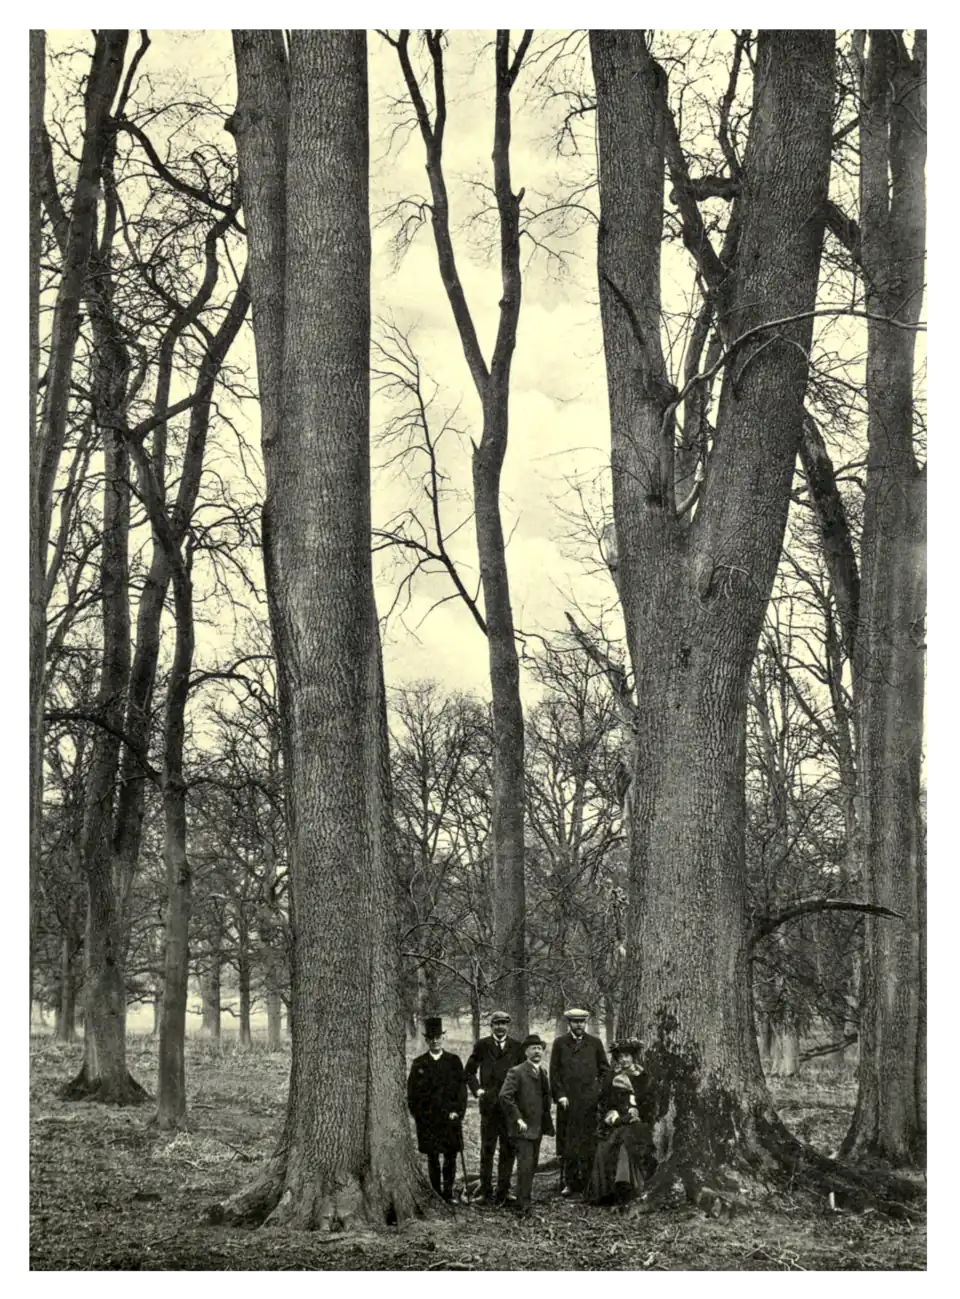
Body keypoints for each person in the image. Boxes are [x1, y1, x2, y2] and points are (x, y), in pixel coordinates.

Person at [586, 1038, 657, 1207]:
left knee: (627, 1140)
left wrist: (638, 1112)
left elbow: (650, 1102)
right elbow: (604, 1101)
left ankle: (629, 1186)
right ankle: (610, 1191)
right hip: (618, 1120)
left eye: (627, 1056)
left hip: (638, 1122)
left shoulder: (643, 1076)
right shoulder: (612, 1076)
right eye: (620, 1057)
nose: (624, 1060)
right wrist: (613, 1114)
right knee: (606, 1146)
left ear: (633, 1057)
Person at [464, 1010, 526, 1204]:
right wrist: (478, 1091)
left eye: (503, 1023)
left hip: (508, 1108)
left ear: (508, 1026)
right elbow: (469, 1072)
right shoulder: (482, 1045)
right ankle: (485, 1191)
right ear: (491, 1026)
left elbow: (523, 1073)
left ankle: (503, 1191)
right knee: (487, 1150)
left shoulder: (517, 1047)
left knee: (508, 1150)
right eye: (496, 1023)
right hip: (489, 1107)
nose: (500, 1027)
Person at [407, 1016, 467, 1202]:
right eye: (431, 1038)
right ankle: (436, 1193)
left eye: (437, 1037)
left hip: (450, 1118)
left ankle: (448, 1193)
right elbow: (412, 1094)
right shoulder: (419, 1064)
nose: (434, 1041)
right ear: (426, 1040)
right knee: (433, 1157)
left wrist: (458, 1112)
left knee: (450, 1156)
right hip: (428, 1120)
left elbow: (461, 1091)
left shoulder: (454, 1061)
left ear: (443, 1038)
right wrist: (420, 1116)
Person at [549, 1007, 609, 1196]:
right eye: (576, 1022)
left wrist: (598, 1091)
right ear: (569, 1023)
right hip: (568, 1102)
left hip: (589, 1102)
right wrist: (560, 1095)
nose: (579, 1025)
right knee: (569, 1144)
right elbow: (554, 1073)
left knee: (589, 1141)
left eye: (582, 1022)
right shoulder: (560, 1044)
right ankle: (571, 1182)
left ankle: (589, 1182)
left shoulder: (595, 1043)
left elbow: (605, 1070)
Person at [498, 1034, 554, 1218]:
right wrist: (518, 1119)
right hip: (522, 1129)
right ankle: (523, 1205)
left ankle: (525, 1199)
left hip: (536, 1128)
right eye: (533, 1048)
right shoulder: (517, 1071)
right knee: (525, 1166)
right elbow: (505, 1096)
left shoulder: (543, 1072)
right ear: (526, 1052)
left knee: (532, 1166)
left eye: (539, 1048)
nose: (537, 1051)